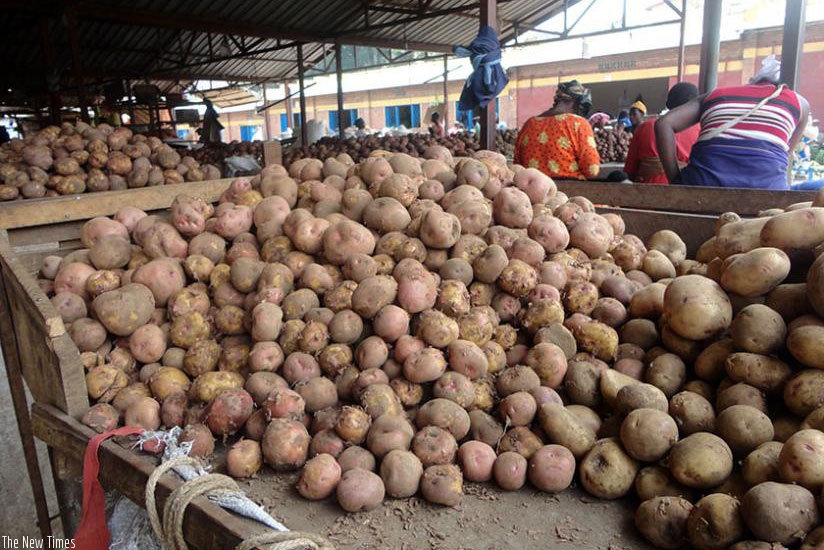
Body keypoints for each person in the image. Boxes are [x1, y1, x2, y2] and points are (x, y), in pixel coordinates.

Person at [656, 55, 810, 189]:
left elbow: (664, 123)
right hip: (767, 190)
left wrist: (675, 179)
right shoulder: (799, 103)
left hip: (701, 184)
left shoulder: (715, 95)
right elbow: (785, 153)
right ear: (779, 87)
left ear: (751, 84)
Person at [514, 80, 600, 180]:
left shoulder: (530, 123)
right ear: (576, 103)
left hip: (531, 189)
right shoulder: (579, 123)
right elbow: (592, 170)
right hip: (569, 190)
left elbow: (518, 164)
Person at [624, 82, 700, 184]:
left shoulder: (647, 127)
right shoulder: (701, 130)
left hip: (648, 191)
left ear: (669, 104)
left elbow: (630, 171)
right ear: (694, 106)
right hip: (686, 191)